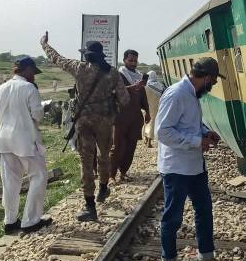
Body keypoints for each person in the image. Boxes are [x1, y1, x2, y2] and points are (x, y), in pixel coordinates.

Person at [41, 34, 129, 221]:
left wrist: (44, 43)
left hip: (83, 121)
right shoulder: (112, 73)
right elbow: (125, 99)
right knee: (103, 155)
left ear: (86, 55)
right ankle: (104, 187)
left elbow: (56, 58)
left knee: (86, 161)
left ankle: (90, 206)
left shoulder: (78, 68)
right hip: (105, 122)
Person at [156, 57, 229, 261]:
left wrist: (205, 132)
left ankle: (206, 258)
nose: (213, 85)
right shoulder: (176, 94)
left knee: (204, 211)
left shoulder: (192, 94)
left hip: (195, 165)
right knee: (173, 215)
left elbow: (190, 124)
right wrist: (197, 141)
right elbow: (163, 132)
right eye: (213, 81)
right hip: (177, 167)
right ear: (206, 78)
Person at [0, 57, 52, 234]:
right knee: (39, 176)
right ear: (26, 70)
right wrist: (42, 108)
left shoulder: (0, 88)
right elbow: (38, 115)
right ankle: (30, 221)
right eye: (33, 73)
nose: (34, 76)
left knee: (10, 182)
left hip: (5, 139)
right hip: (25, 139)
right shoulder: (29, 88)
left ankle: (10, 221)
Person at [109, 50, 150, 182]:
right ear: (124, 60)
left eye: (135, 61)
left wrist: (148, 112)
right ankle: (111, 174)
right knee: (118, 146)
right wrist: (132, 87)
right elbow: (113, 92)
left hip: (135, 117)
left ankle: (123, 172)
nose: (133, 63)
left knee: (131, 146)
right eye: (130, 60)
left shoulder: (138, 76)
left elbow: (143, 95)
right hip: (120, 116)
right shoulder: (118, 75)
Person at [143, 70, 165, 147]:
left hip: (147, 106)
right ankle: (149, 141)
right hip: (156, 107)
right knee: (152, 123)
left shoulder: (146, 85)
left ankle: (145, 138)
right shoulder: (160, 85)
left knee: (146, 121)